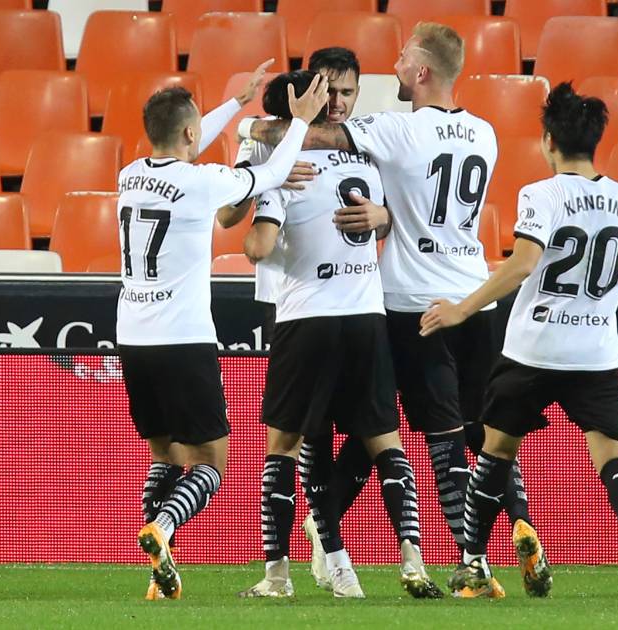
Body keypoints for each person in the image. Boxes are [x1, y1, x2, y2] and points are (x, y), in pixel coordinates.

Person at [240, 22, 538, 595]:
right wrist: (388, 216)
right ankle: (515, 526)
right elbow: (419, 201)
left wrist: (250, 128)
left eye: (402, 58)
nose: (394, 66)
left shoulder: (394, 132)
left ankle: (465, 559)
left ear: (421, 71)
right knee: (424, 430)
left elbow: (319, 141)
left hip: (404, 303)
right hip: (471, 296)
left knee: (428, 437)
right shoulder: (485, 133)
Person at [420, 82, 618, 600]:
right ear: (595, 141)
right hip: (595, 352)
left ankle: (473, 563)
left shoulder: (542, 194)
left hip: (533, 347)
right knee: (612, 457)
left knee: (495, 455)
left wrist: (462, 309)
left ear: (548, 141)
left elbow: (524, 263)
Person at [118, 61, 330, 600]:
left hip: (132, 337)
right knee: (211, 464)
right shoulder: (202, 182)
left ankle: (158, 573)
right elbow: (272, 173)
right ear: (191, 134)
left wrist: (236, 103)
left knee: (164, 456)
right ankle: (163, 527)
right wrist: (301, 121)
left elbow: (187, 138)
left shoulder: (129, 175)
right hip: (182, 339)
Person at [241, 70, 442, 601]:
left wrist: (264, 198)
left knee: (285, 446)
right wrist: (384, 216)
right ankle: (412, 559)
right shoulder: (369, 163)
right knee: (385, 441)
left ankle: (277, 575)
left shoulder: (286, 166)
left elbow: (259, 248)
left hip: (306, 318)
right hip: (367, 317)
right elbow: (405, 215)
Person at [229, 47, 387, 592]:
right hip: (294, 298)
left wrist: (383, 215)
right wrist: (264, 170)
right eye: (328, 91)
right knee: (313, 438)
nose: (337, 102)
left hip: (334, 303)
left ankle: (310, 554)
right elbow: (229, 213)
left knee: (336, 435)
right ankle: (333, 557)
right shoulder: (267, 142)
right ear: (308, 90)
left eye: (347, 92)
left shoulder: (361, 141)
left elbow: (397, 213)